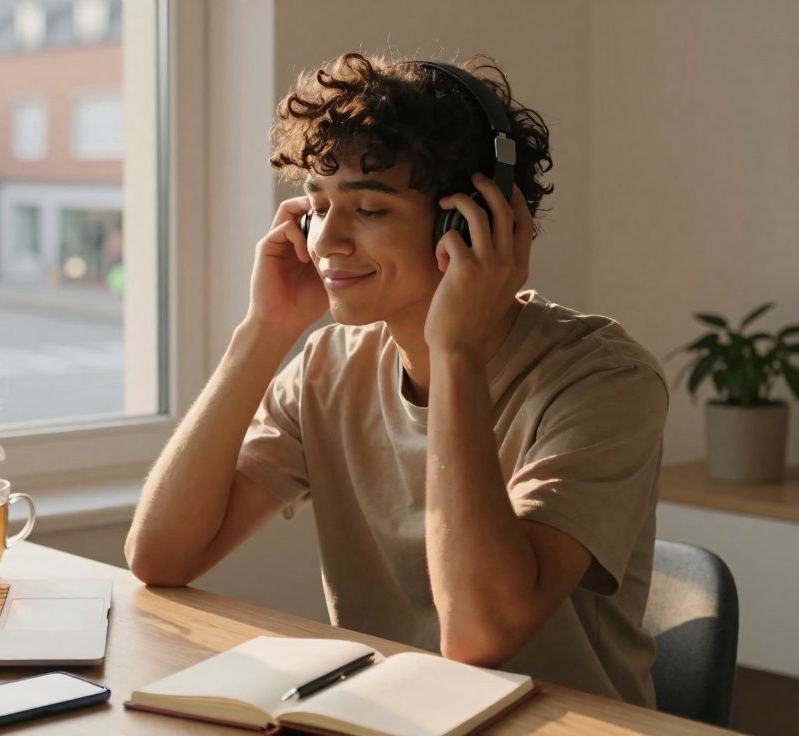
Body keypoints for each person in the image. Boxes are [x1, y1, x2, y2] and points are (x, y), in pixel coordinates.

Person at [124, 53, 668, 708]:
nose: (325, 242)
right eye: (318, 206)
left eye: (370, 210)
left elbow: (477, 635)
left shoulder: (604, 379)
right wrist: (263, 333)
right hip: (388, 719)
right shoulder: (331, 365)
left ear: (468, 222)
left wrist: (455, 352)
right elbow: (161, 557)